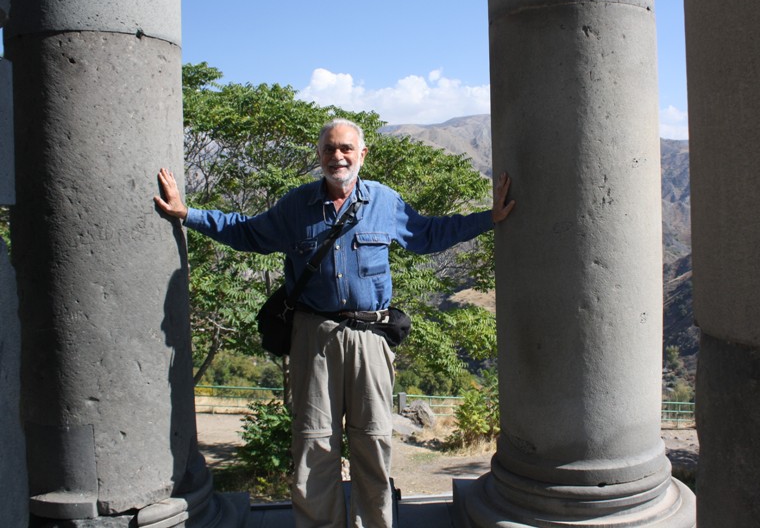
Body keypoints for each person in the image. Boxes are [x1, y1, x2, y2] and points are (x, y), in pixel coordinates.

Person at [155, 118, 514, 527]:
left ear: (362, 154)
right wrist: (190, 214)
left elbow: (428, 233)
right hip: (314, 336)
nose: (337, 156)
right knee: (313, 445)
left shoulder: (384, 202)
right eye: (329, 149)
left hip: (371, 339)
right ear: (319, 155)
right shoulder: (297, 206)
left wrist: (490, 217)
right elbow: (247, 232)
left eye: (345, 148)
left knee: (373, 442)